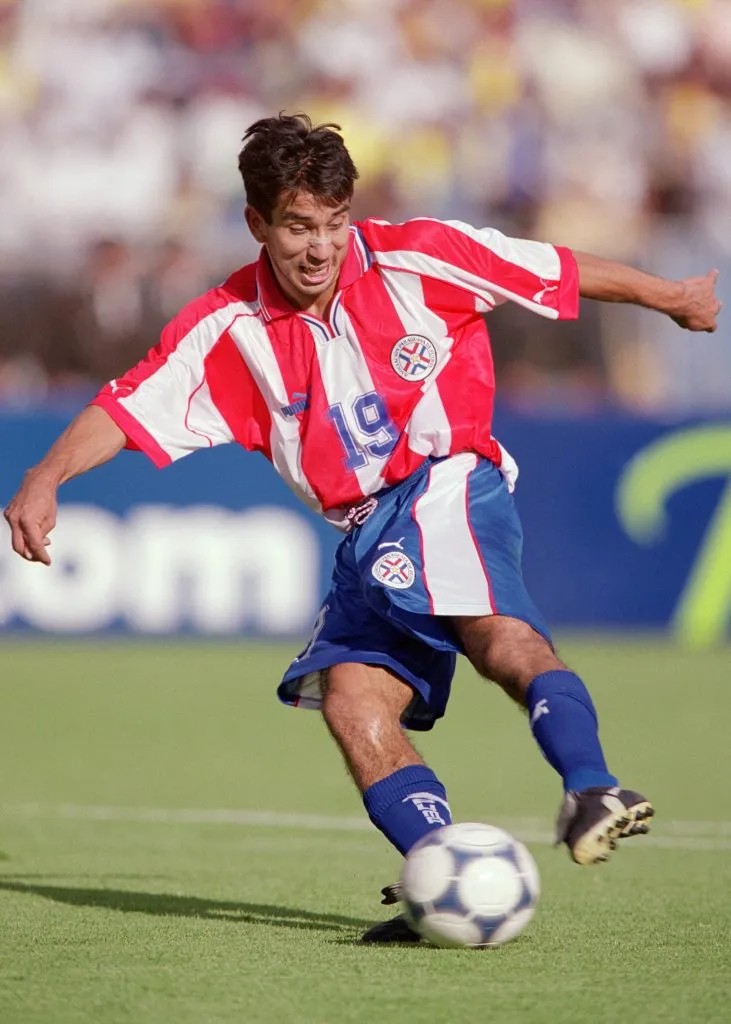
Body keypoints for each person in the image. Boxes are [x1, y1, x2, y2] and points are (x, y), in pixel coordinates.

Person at [4, 114, 721, 943]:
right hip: (361, 530)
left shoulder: (419, 254)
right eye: (299, 227)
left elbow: (555, 272)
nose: (321, 247)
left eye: (335, 223)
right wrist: (46, 474)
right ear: (257, 225)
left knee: (495, 639)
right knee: (352, 704)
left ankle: (591, 783)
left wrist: (670, 297)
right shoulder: (225, 325)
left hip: (445, 479)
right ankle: (439, 872)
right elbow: (127, 407)